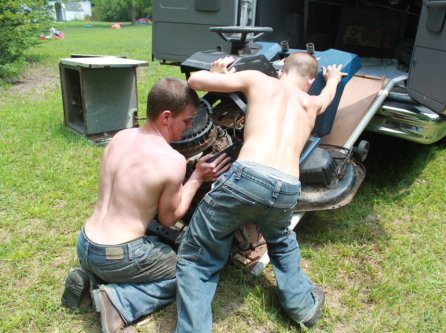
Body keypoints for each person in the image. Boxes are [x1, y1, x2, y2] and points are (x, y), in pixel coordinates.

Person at [174, 52, 345, 332]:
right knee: (280, 240)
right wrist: (334, 79)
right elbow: (328, 96)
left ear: (281, 71)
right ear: (310, 80)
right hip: (288, 187)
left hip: (248, 177)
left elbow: (194, 81)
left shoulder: (260, 80)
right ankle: (303, 307)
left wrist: (217, 73)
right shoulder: (312, 102)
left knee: (199, 253)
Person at [61, 77, 231, 333]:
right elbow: (168, 219)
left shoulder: (120, 137)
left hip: (85, 244)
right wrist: (196, 177)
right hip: (120, 256)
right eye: (186, 120)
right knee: (191, 272)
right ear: (165, 116)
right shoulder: (171, 160)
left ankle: (91, 280)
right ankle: (118, 302)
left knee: (141, 257)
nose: (188, 127)